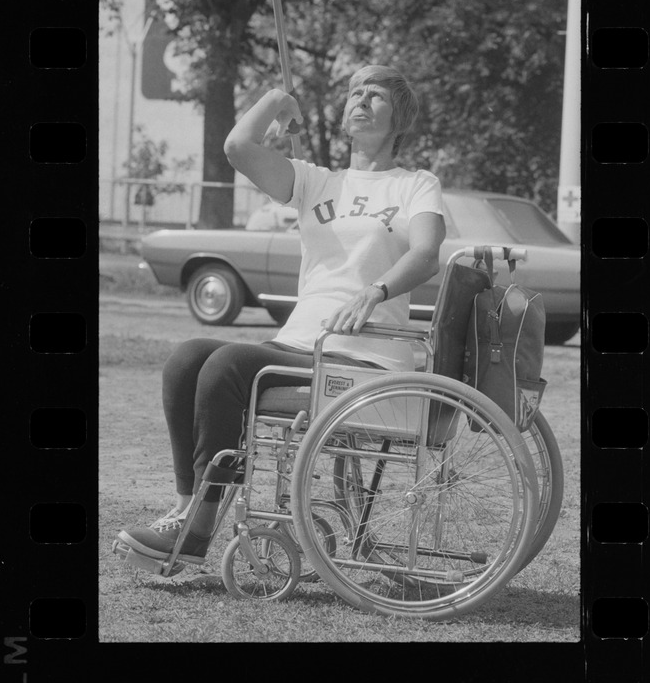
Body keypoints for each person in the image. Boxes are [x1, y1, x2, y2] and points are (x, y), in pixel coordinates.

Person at [117, 65, 446, 563]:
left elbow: (426, 253)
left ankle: (198, 533)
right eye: (354, 92)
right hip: (298, 344)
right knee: (186, 358)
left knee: (226, 364)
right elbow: (237, 148)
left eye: (375, 94)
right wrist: (274, 99)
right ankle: (186, 508)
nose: (360, 100)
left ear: (399, 118)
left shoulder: (415, 184)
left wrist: (375, 291)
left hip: (363, 355)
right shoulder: (316, 181)